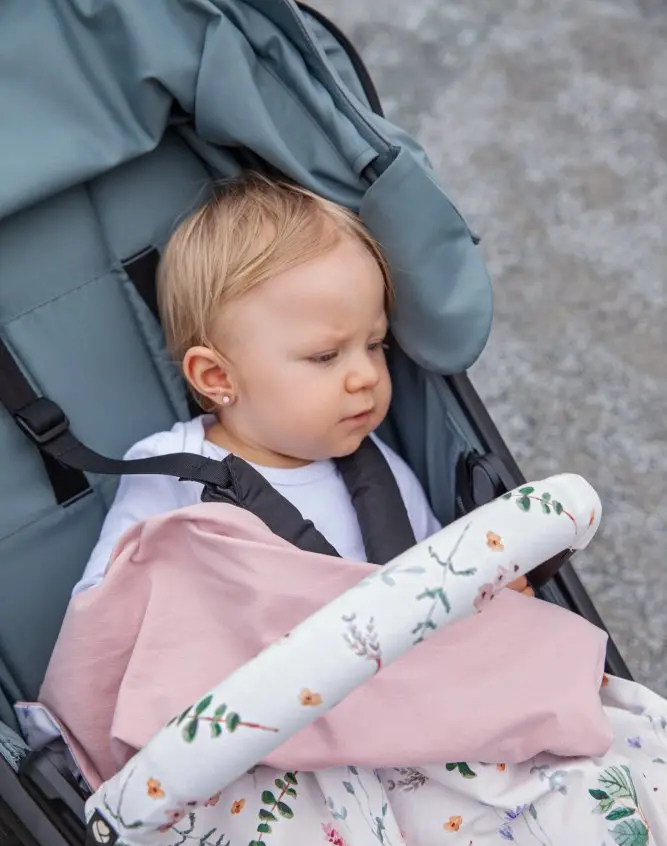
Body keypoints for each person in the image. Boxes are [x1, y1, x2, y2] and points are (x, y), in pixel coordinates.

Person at [74, 173, 532, 595]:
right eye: (325, 356)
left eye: (375, 344)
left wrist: (482, 587)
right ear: (218, 377)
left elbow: (437, 576)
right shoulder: (172, 473)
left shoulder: (380, 470)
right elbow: (102, 609)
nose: (367, 375)